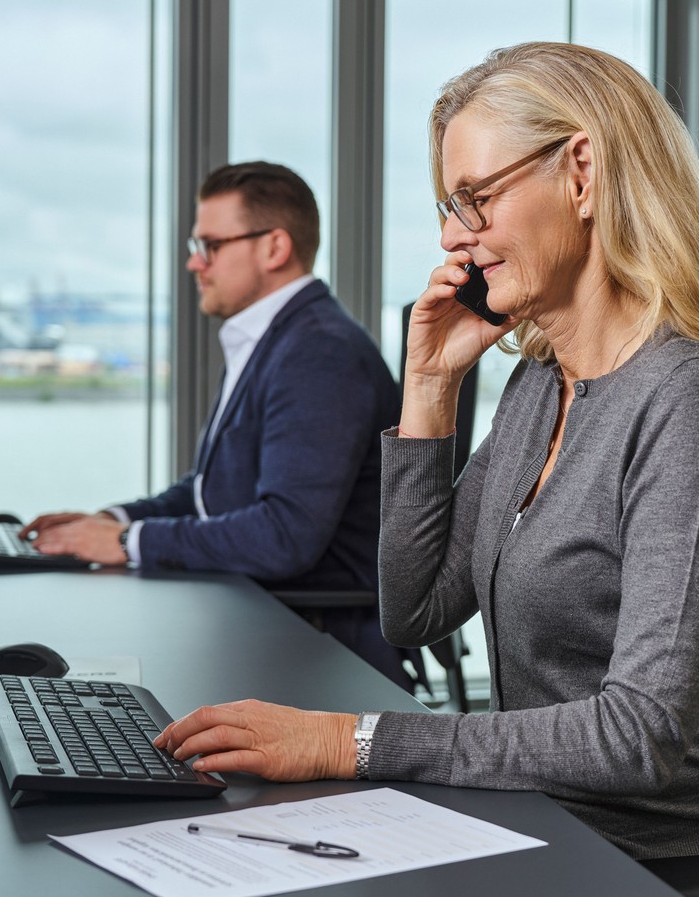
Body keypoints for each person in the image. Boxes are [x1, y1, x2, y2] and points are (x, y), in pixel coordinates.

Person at [153, 43, 699, 859]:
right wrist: (428, 388)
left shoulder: (688, 396)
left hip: (673, 858)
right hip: (547, 826)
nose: (458, 239)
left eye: (475, 199)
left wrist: (352, 742)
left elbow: (639, 735)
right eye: (449, 209)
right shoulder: (539, 384)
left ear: (583, 173)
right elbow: (416, 610)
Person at [23, 162, 418, 691]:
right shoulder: (278, 337)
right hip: (261, 612)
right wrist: (108, 522)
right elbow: (209, 492)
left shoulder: (318, 352)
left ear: (273, 248)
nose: (194, 262)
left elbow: (284, 535)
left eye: (210, 244)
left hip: (314, 648)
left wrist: (127, 540)